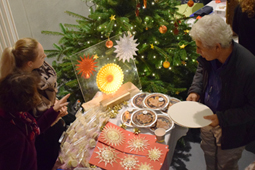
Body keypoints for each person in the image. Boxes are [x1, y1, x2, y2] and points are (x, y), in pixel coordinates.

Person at [186, 14, 255, 170]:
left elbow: (253, 109)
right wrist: (195, 90)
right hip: (207, 117)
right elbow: (201, 68)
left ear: (217, 46)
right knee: (208, 154)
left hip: (231, 131)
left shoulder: (249, 69)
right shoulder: (210, 56)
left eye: (200, 47)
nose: (198, 51)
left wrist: (222, 119)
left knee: (226, 164)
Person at [0, 37, 68, 170]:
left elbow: (35, 128)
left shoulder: (19, 117)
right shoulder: (15, 138)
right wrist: (54, 113)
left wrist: (53, 112)